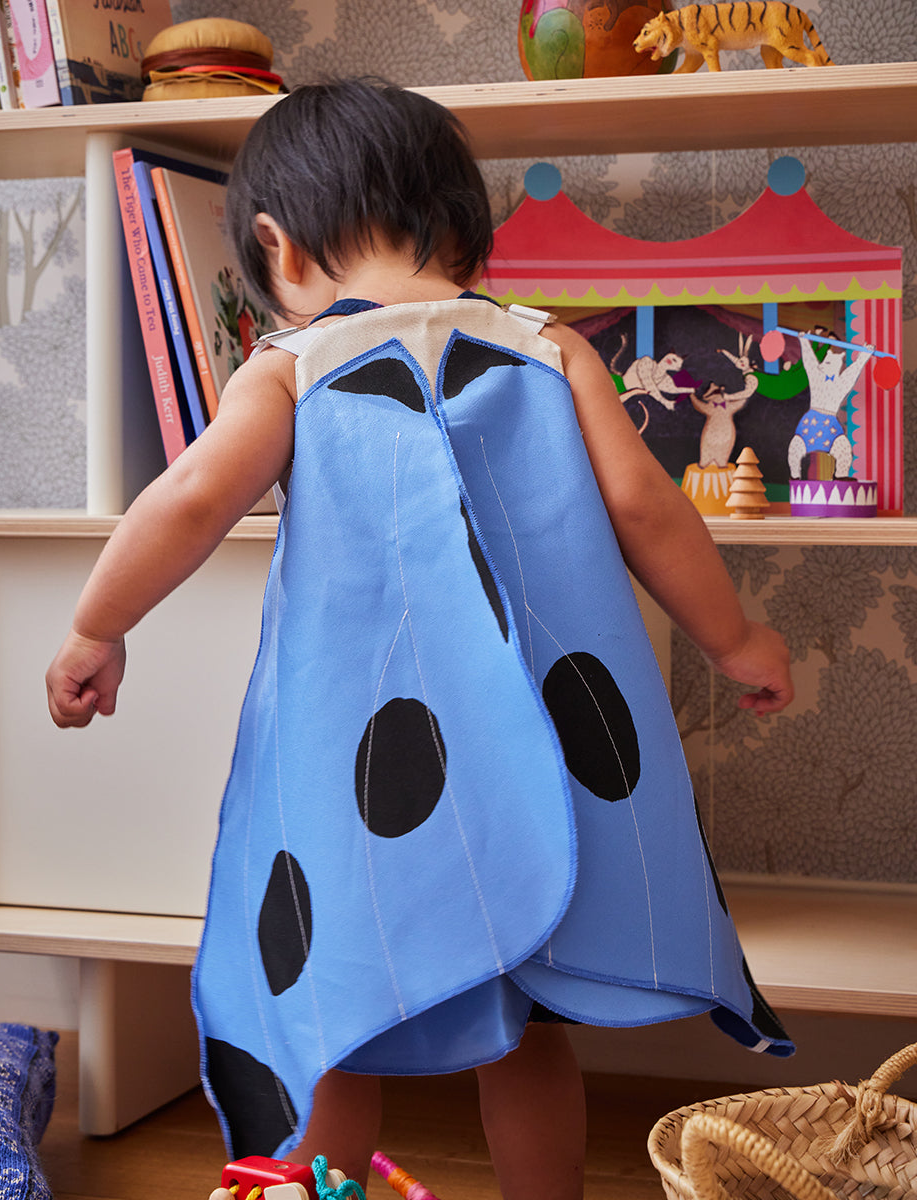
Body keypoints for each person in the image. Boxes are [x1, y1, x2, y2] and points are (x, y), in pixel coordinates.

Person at [46, 78, 794, 1200]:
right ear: (461, 232)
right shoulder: (551, 351)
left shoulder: (293, 367)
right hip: (537, 763)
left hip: (370, 780)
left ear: (275, 250)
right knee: (531, 1025)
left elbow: (192, 498)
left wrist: (97, 625)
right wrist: (736, 638)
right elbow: (647, 507)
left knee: (338, 1016)